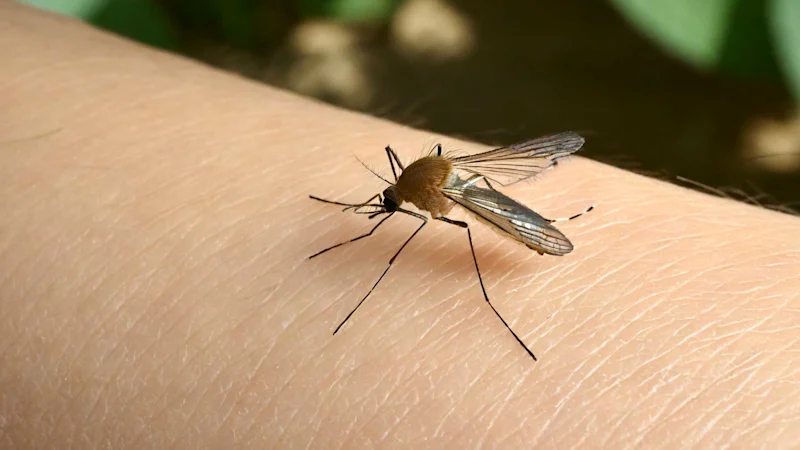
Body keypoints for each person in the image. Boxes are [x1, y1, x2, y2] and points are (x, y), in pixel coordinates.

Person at [2, 2, 798, 448]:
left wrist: (376, 236)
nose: (388, 205)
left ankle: (504, 294)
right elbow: (415, 179)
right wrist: (377, 205)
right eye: (387, 200)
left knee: (474, 223)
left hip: (476, 191)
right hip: (466, 176)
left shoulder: (427, 198)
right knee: (461, 190)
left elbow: (429, 200)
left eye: (387, 201)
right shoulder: (412, 180)